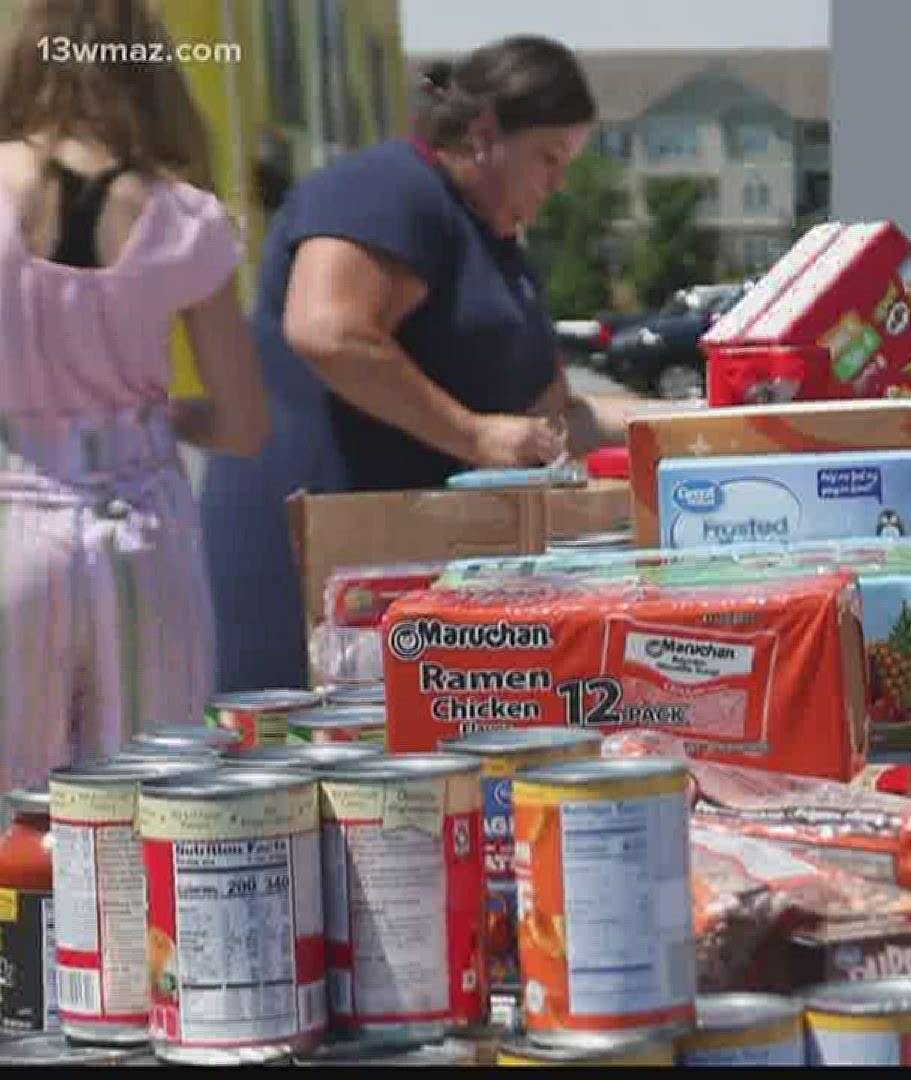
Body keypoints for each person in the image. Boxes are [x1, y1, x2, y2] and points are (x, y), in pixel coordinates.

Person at [200, 35, 625, 692]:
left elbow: (555, 419)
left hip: (392, 584)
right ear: (485, 133)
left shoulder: (492, 241)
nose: (559, 183)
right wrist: (474, 435)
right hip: (308, 559)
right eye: (549, 158)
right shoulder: (388, 189)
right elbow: (328, 330)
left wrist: (700, 422)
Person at [0, 0, 267, 791]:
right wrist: (161, 412)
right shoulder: (185, 218)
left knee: (14, 805)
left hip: (14, 523)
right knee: (152, 805)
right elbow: (246, 423)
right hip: (144, 526)